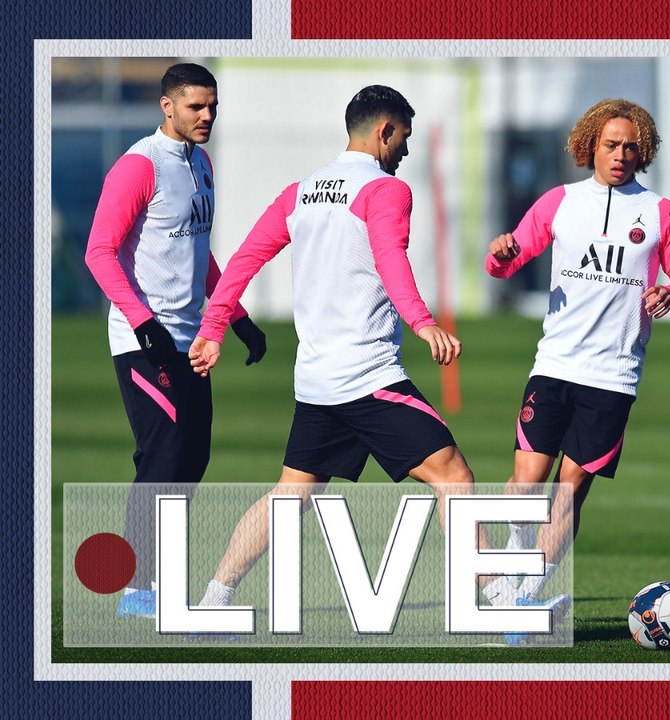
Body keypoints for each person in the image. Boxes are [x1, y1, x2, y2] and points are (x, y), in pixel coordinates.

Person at [187, 85, 481, 610]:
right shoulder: (386, 190)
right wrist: (421, 322)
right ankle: (498, 598)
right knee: (453, 475)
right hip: (368, 377)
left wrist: (212, 329)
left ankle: (214, 599)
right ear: (384, 131)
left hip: (318, 382)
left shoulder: (300, 191)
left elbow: (243, 260)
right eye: (404, 138)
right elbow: (390, 258)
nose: (406, 152)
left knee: (292, 494)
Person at [482, 98, 670, 617]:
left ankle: (524, 597)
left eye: (631, 146)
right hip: (555, 363)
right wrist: (500, 256)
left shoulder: (660, 212)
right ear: (591, 146)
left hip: (614, 375)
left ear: (643, 150)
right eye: (611, 144)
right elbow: (508, 262)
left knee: (569, 492)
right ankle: (518, 565)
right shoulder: (559, 201)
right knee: (524, 484)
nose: (621, 154)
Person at [84, 62, 267, 620]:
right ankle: (138, 589)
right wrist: (142, 321)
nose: (208, 115)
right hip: (147, 340)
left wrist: (236, 318)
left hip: (191, 341)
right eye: (196, 107)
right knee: (163, 455)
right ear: (167, 107)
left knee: (191, 454)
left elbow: (200, 256)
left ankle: (155, 579)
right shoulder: (139, 166)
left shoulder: (200, 162)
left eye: (213, 106)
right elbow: (99, 251)